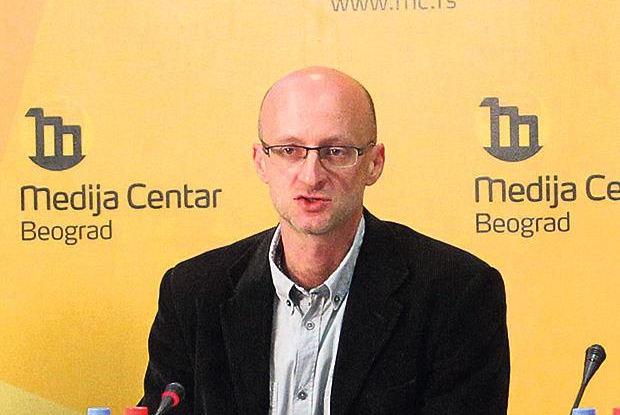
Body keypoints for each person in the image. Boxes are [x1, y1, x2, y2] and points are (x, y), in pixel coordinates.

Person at [140, 67, 510, 414]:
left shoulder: (456, 293)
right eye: (289, 150)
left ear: (374, 163)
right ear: (260, 161)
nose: (311, 176)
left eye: (336, 152)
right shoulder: (192, 293)